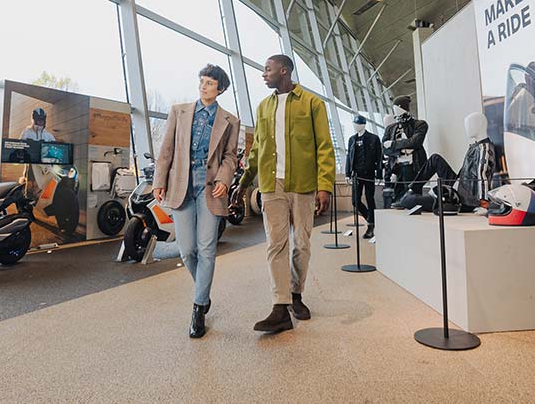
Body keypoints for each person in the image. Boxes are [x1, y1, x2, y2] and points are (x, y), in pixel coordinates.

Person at [234, 54, 335, 333]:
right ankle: (280, 307)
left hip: (302, 183)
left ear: (284, 70)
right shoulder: (263, 106)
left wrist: (324, 185)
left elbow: (324, 146)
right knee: (275, 244)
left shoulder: (312, 103)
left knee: (302, 243)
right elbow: (257, 149)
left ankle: (296, 294)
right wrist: (244, 182)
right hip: (270, 185)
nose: (263, 74)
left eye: (267, 69)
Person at [152, 65, 240, 339]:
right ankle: (203, 291)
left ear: (220, 88)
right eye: (202, 82)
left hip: (210, 184)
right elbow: (166, 149)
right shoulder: (179, 111)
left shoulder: (229, 121)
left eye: (210, 83)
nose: (203, 87)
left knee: (206, 248)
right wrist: (159, 181)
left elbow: (230, 157)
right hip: (181, 182)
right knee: (187, 249)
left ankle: (199, 307)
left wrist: (225, 179)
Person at [382, 95, 428, 207]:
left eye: (397, 108)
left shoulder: (420, 124)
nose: (395, 111)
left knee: (413, 197)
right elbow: (384, 148)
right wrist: (402, 150)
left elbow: (415, 142)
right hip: (397, 167)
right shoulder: (391, 128)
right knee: (397, 199)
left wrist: (393, 144)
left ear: (402, 108)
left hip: (414, 165)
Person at [345, 115, 382, 238]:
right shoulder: (352, 139)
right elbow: (348, 157)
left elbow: (379, 157)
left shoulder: (374, 138)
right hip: (356, 174)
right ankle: (371, 220)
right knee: (355, 201)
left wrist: (379, 174)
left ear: (363, 124)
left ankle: (370, 227)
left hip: (369, 173)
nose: (355, 126)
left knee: (370, 198)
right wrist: (347, 173)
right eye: (354, 123)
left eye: (357, 123)